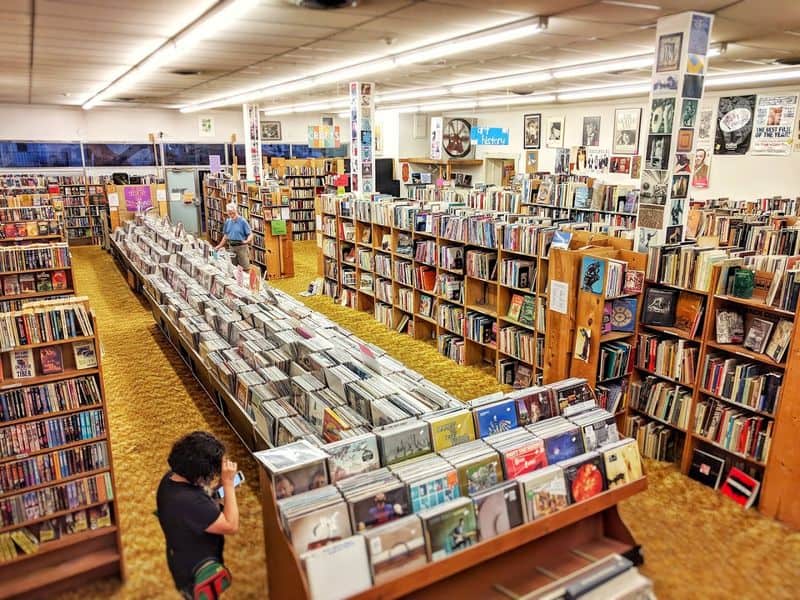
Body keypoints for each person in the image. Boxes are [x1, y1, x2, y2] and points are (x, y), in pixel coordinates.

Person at [156, 432, 239, 598]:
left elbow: (206, 509)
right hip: (198, 571)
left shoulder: (169, 479)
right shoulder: (191, 502)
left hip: (181, 557)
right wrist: (228, 485)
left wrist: (220, 488)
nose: (212, 477)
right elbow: (231, 525)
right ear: (199, 475)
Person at [215, 202, 253, 269]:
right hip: (232, 247)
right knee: (233, 268)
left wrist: (247, 241)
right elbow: (226, 236)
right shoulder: (228, 222)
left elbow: (250, 234)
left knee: (245, 268)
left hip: (241, 247)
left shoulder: (242, 221)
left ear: (236, 211)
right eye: (229, 214)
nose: (232, 215)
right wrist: (219, 246)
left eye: (233, 213)